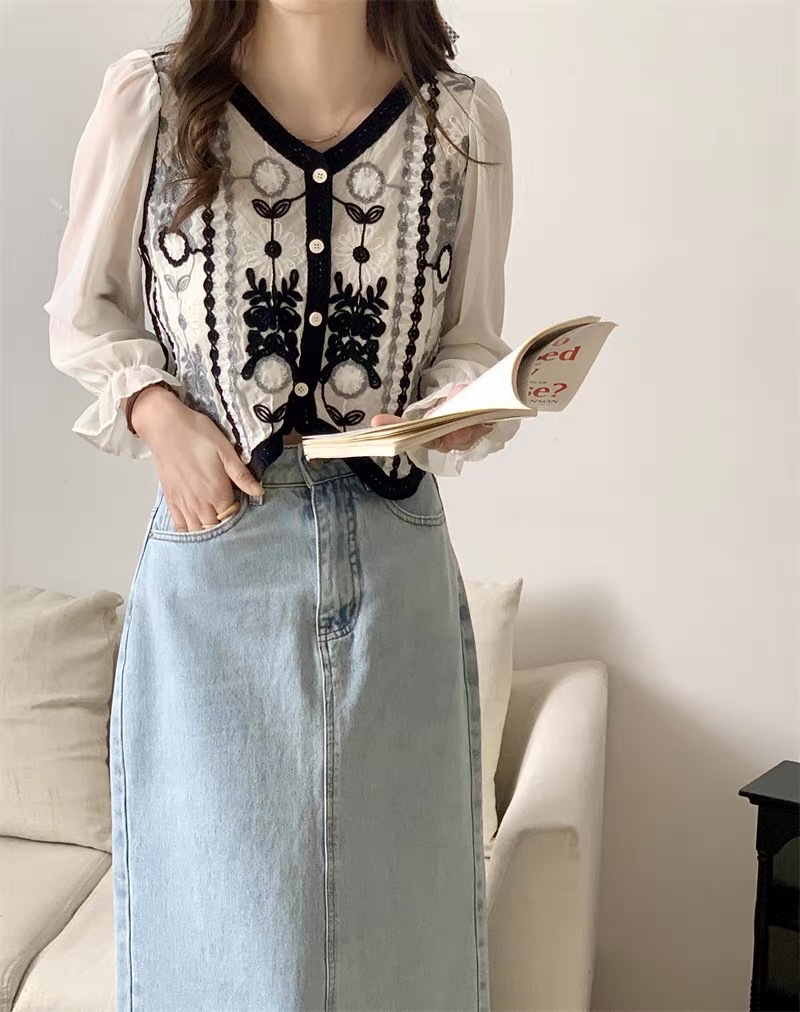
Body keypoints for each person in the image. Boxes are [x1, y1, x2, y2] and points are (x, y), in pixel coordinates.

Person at [44, 1, 519, 1009]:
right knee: (224, 940)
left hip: (396, 558)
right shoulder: (155, 104)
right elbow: (83, 313)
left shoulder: (459, 124)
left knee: (404, 930)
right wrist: (158, 413)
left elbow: (471, 337)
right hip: (217, 555)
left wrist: (450, 410)